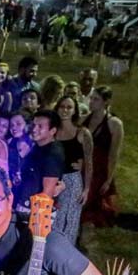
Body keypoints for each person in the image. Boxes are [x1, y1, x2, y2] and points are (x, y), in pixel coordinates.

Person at [53, 97, 93, 244]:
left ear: (75, 110)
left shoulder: (82, 133)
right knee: (54, 217)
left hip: (72, 180)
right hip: (54, 179)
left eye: (69, 107)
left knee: (70, 219)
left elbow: (89, 162)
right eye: (62, 106)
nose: (65, 110)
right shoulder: (53, 131)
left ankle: (67, 252)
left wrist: (86, 189)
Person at [82, 87, 124, 227]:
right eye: (91, 98)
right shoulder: (83, 119)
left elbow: (114, 154)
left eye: (96, 99)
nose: (91, 102)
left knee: (91, 209)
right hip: (83, 168)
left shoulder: (114, 124)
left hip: (99, 171)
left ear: (106, 102)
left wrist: (109, 179)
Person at [13, 109, 64, 215]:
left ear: (52, 131)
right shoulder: (39, 146)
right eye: (34, 125)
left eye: (40, 126)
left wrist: (37, 224)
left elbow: (47, 194)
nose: (34, 129)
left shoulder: (51, 155)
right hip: (25, 205)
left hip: (33, 212)